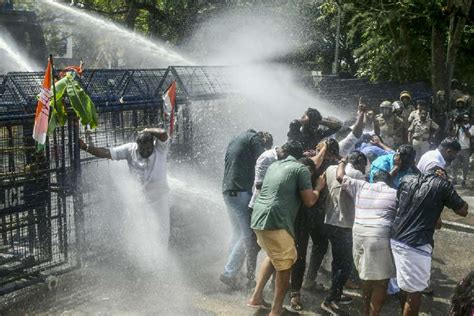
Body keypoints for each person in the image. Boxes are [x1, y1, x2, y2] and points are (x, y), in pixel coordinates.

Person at [247, 157, 325, 316]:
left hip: (258, 218)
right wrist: (318, 187)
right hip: (275, 221)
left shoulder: (276, 165)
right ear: (309, 172)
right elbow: (310, 200)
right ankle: (276, 311)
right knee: (285, 265)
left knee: (273, 257)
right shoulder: (302, 170)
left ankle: (256, 297)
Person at [391, 167, 468, 316]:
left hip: (396, 239)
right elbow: (463, 210)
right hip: (416, 245)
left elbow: (435, 222)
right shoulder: (442, 185)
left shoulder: (407, 179)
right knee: (415, 293)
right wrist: (447, 185)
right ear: (442, 175)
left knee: (404, 285)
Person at [79, 128, 171, 246]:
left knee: (162, 231)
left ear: (153, 144)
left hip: (160, 198)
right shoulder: (130, 149)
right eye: (142, 149)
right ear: (137, 145)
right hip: (141, 198)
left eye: (149, 148)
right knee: (141, 229)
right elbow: (106, 152)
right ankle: (145, 255)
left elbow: (163, 134)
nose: (146, 151)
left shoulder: (160, 149)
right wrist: (85, 147)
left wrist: (147, 130)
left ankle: (161, 257)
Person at [337, 161, 398, 316]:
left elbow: (339, 176)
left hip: (358, 236)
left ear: (372, 179)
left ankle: (365, 311)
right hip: (378, 237)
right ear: (388, 181)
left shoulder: (361, 185)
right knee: (381, 281)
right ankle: (373, 314)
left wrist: (342, 162)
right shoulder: (394, 193)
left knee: (365, 276)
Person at [289, 139, 340, 311]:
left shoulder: (334, 163)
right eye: (326, 151)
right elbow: (312, 164)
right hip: (302, 212)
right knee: (299, 254)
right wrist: (322, 150)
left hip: (319, 214)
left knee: (320, 244)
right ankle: (294, 293)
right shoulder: (308, 157)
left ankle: (309, 280)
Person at [220, 129, 273, 289]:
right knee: (249, 235)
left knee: (237, 233)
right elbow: (264, 161)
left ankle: (233, 271)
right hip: (240, 191)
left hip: (228, 191)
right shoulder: (254, 138)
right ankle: (229, 273)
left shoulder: (236, 138)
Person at [247, 141, 304, 286]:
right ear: (285, 152)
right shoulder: (267, 158)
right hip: (260, 207)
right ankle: (250, 278)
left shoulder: (281, 161)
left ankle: (270, 284)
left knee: (273, 253)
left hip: (271, 209)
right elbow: (259, 184)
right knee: (254, 247)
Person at [317, 151, 368, 315]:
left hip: (330, 220)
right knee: (344, 265)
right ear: (359, 163)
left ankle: (337, 294)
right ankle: (330, 300)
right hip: (345, 224)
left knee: (337, 261)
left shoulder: (331, 169)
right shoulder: (358, 174)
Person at [452, 114, 474, 186]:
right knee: (454, 164)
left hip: (466, 149)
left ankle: (464, 180)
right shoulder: (458, 126)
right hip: (457, 148)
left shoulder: (471, 127)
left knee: (465, 166)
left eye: (466, 118)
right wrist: (455, 124)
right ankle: (454, 179)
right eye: (463, 118)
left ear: (469, 119)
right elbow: (453, 135)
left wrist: (463, 126)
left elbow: (469, 135)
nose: (465, 119)